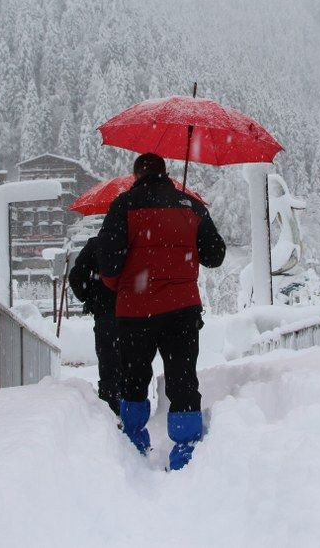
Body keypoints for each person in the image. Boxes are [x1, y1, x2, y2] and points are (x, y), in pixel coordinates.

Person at [97, 153, 226, 470]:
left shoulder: (123, 206)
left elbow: (108, 263)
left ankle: (135, 442)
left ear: (137, 174)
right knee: (183, 380)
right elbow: (215, 255)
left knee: (134, 378)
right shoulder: (191, 206)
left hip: (135, 311)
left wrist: (121, 285)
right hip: (182, 310)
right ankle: (185, 450)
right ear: (165, 173)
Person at [67, 236, 121, 416]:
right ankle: (134, 412)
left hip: (105, 312)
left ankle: (111, 411)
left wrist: (89, 296)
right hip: (134, 313)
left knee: (108, 364)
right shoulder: (136, 241)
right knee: (134, 364)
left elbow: (76, 276)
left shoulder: (96, 244)